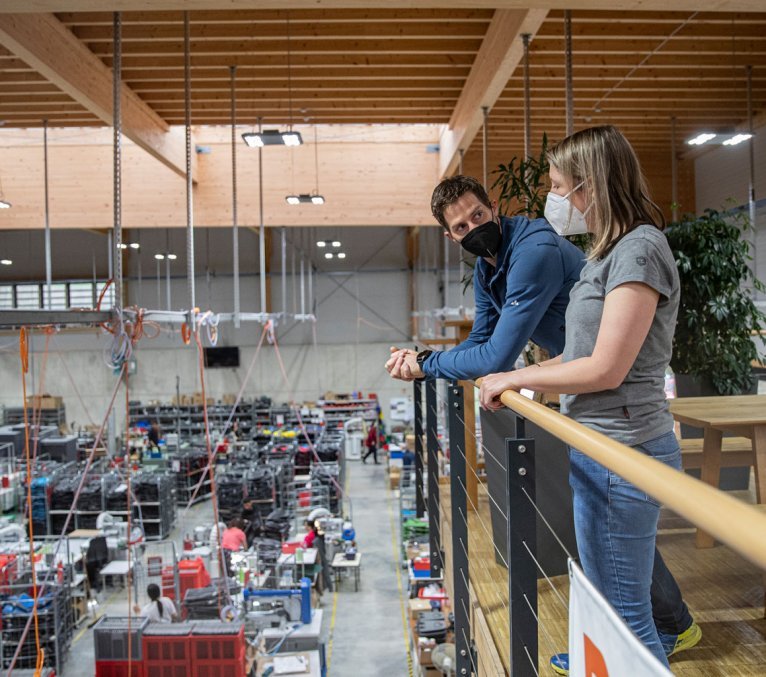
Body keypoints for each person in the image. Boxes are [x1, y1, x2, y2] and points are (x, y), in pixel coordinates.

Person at [479, 125, 700, 672]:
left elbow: (607, 368)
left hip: (623, 448)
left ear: (590, 187)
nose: (553, 200)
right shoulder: (604, 254)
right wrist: (526, 372)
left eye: (559, 187)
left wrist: (509, 380)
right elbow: (581, 350)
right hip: (598, 445)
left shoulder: (640, 249)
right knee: (610, 607)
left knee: (627, 617)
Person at [385, 174, 585, 382]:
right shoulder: (485, 270)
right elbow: (480, 340)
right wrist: (421, 365)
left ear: (494, 207)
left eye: (478, 215)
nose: (474, 229)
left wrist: (425, 363)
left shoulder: (534, 252)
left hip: (601, 368)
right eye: (461, 227)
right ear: (451, 237)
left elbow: (496, 359)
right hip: (576, 367)